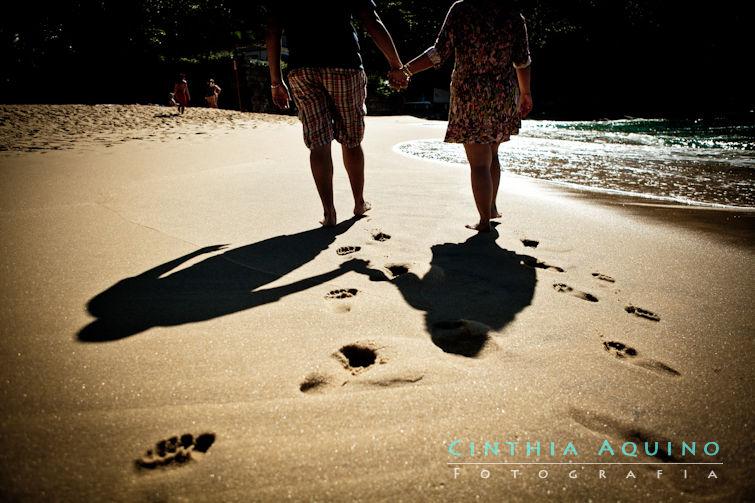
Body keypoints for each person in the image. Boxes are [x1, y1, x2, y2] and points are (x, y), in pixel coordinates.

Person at [388, 0, 533, 232]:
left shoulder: (462, 10)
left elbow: (439, 52)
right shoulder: (513, 15)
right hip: (502, 93)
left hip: (469, 93)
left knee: (478, 163)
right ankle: (492, 207)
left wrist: (406, 70)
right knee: (493, 153)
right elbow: (522, 60)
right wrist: (525, 93)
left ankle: (484, 220)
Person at [266, 0, 404, 227]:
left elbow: (272, 32)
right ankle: (359, 202)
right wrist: (396, 64)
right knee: (351, 139)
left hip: (302, 70)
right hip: (345, 65)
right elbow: (371, 21)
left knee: (318, 143)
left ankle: (329, 213)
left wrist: (275, 81)